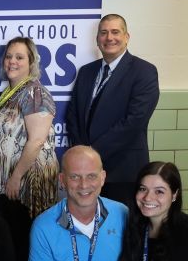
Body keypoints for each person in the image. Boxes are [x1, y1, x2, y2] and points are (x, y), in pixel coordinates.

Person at [0, 36, 60, 261]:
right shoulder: (12, 91)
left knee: (28, 245)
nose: (12, 61)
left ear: (31, 63)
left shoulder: (34, 93)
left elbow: (37, 140)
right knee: (16, 243)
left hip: (27, 186)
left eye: (19, 57)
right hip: (9, 186)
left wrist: (15, 177)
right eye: (9, 56)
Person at [64, 14, 159, 205]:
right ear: (97, 39)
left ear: (126, 37)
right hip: (85, 174)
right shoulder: (86, 71)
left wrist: (92, 154)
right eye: (104, 33)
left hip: (122, 173)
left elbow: (134, 121)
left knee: (120, 230)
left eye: (115, 32)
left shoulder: (144, 71)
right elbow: (72, 115)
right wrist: (83, 156)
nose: (109, 38)